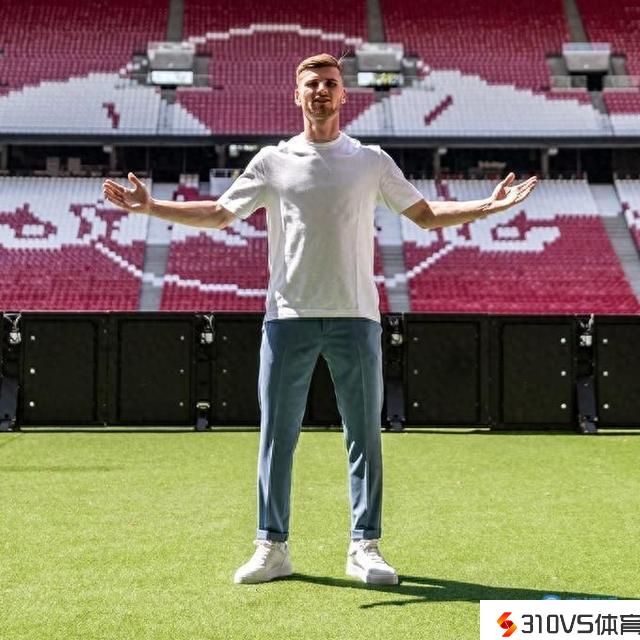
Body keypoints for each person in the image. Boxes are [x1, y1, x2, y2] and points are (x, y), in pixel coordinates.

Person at [103, 53, 537, 586]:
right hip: (287, 317)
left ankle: (365, 546)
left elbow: (424, 215)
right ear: (297, 95)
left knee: (364, 436)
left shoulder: (371, 161)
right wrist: (151, 208)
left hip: (357, 316)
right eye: (311, 84)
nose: (321, 91)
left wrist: (486, 207)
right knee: (276, 436)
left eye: (330, 83)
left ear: (343, 94)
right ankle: (272, 546)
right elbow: (218, 214)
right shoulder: (272, 161)